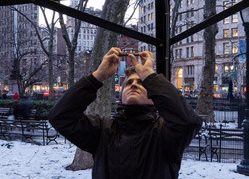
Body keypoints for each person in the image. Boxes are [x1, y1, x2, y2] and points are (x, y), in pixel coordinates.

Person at [49, 48, 202, 179]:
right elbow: (60, 117)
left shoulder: (165, 132)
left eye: (141, 83)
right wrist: (97, 76)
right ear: (121, 95)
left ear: (154, 96)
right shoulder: (102, 130)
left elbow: (188, 122)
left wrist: (149, 75)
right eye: (129, 83)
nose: (134, 84)